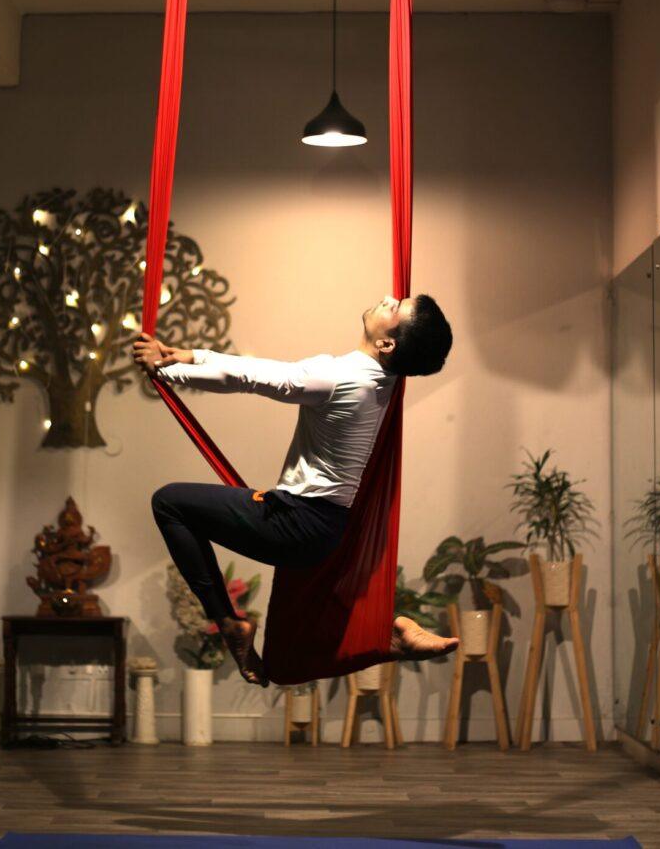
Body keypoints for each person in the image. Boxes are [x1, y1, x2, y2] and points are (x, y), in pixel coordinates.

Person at [134, 293, 458, 685]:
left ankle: (228, 623)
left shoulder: (338, 378)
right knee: (285, 660)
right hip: (327, 529)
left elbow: (247, 377)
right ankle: (388, 639)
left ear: (387, 344)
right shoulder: (384, 380)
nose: (387, 298)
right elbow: (254, 369)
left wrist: (165, 370)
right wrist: (189, 356)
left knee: (169, 503)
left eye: (395, 308)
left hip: (296, 523)